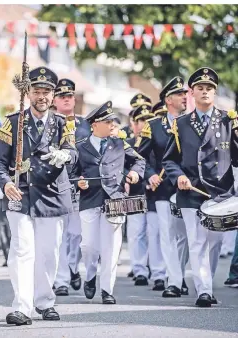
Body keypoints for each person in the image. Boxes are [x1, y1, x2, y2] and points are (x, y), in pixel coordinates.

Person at [0, 66, 78, 325]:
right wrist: (5, 183)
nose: (42, 96)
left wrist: (66, 155)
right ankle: (22, 306)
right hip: (21, 193)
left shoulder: (63, 124)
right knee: (21, 249)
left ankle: (45, 301)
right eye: (37, 91)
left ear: (53, 96)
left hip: (52, 194)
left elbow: (72, 153)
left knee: (48, 252)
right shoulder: (13, 122)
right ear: (28, 93)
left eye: (47, 92)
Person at [163, 67, 238, 307]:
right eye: (200, 88)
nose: (205, 92)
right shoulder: (182, 123)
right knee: (197, 242)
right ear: (192, 93)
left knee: (214, 243)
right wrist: (178, 177)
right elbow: (169, 160)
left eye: (209, 88)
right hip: (191, 191)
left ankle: (206, 282)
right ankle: (203, 290)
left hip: (220, 192)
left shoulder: (229, 120)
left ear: (214, 93)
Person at [71, 101, 145, 304]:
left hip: (115, 199)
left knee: (112, 247)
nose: (112, 124)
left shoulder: (120, 144)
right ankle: (90, 275)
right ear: (95, 124)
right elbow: (72, 174)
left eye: (113, 120)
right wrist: (79, 182)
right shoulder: (81, 147)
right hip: (90, 200)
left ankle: (107, 290)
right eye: (107, 121)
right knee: (88, 246)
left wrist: (134, 173)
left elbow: (139, 161)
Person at [136, 77, 189, 297]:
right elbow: (141, 158)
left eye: (186, 94)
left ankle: (180, 273)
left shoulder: (191, 122)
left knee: (186, 237)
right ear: (168, 100)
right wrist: (149, 175)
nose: (185, 97)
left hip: (187, 187)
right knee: (167, 235)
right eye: (180, 94)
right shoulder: (154, 126)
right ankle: (174, 280)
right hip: (163, 189)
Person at [53, 78, 91, 296]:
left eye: (69, 96)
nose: (66, 100)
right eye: (61, 96)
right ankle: (61, 281)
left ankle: (72, 267)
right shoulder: (51, 123)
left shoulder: (86, 124)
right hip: (57, 184)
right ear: (54, 100)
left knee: (76, 235)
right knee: (60, 234)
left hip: (80, 185)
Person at [127, 105, 167, 290]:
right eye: (141, 120)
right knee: (136, 233)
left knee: (156, 232)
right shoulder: (127, 143)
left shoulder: (156, 141)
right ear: (134, 124)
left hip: (154, 192)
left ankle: (159, 273)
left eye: (147, 120)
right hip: (136, 192)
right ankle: (139, 270)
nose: (144, 124)